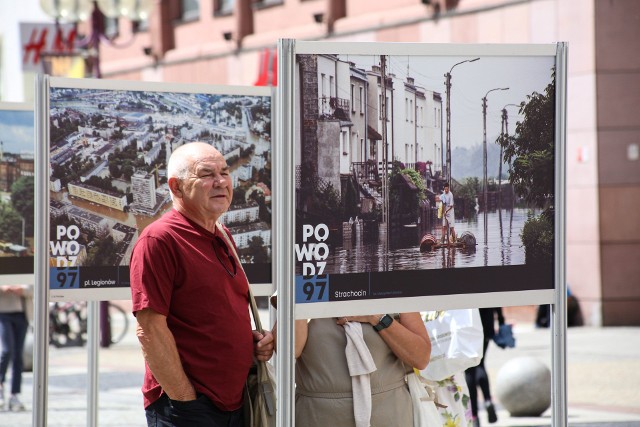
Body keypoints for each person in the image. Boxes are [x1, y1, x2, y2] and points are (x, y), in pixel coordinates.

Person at [130, 142, 274, 427]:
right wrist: (186, 400)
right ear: (177, 186)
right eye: (206, 174)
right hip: (190, 408)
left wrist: (253, 342)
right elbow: (150, 330)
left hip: (235, 400)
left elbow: (217, 310)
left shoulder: (223, 234)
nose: (220, 181)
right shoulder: (159, 240)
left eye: (224, 172)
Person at [294, 313, 430, 427]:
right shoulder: (301, 285)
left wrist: (377, 317)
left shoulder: (393, 284)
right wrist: (299, 293)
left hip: (389, 412)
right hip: (317, 415)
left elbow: (421, 358)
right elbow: (290, 351)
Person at [465, 307, 504, 427]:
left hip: (468, 325)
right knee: (481, 363)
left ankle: (474, 416)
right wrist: (501, 319)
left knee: (469, 369)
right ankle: (487, 400)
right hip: (487, 323)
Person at [0, 283, 32, 412]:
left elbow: (39, 283)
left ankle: (15, 394)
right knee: (6, 350)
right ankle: (0, 387)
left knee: (18, 356)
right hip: (3, 312)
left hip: (22, 314)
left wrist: (23, 289)